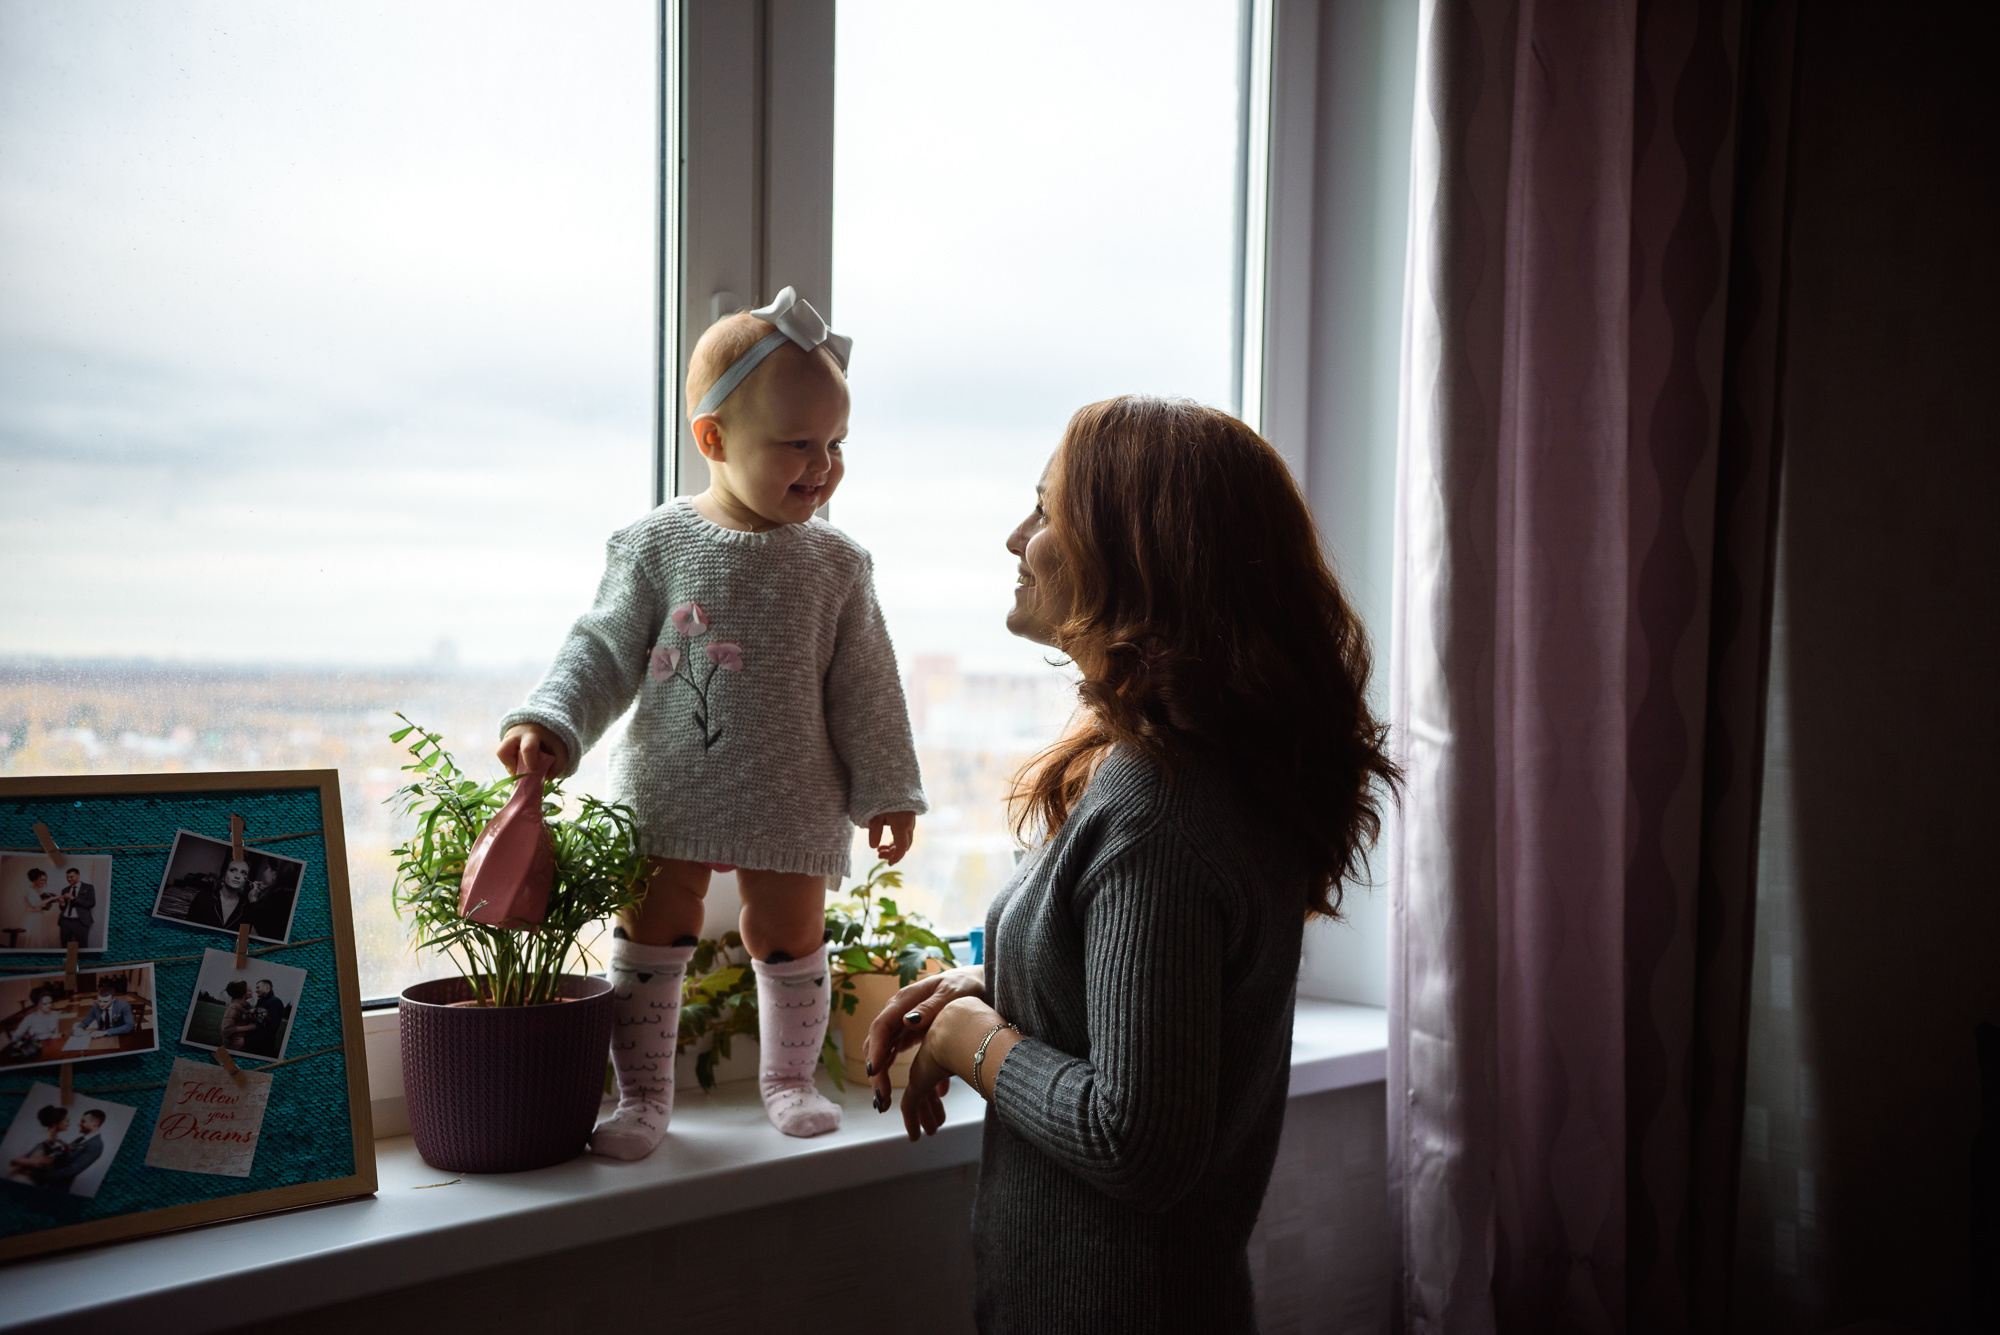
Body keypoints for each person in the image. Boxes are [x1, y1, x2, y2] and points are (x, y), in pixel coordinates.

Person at [862, 398, 1399, 1332]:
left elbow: (1138, 1141)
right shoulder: (1183, 770)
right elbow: (1169, 1014)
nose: (1015, 537)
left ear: (1132, 554)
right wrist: (998, 984)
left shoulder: (1161, 811)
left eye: (1044, 511)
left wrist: (972, 1041)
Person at [498, 288, 926, 1157]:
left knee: (788, 931)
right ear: (714, 439)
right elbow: (604, 647)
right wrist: (553, 718)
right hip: (671, 783)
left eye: (836, 443)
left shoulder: (839, 563)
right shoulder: (654, 544)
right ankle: (644, 1097)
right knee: (655, 924)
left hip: (792, 788)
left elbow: (868, 686)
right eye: (798, 443)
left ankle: (789, 1079)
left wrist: (889, 789)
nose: (824, 464)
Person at [31, 1108, 105, 1194]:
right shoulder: (80, 1139)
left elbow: (72, 1169)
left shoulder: (96, 1145)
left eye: (83, 1121)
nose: (79, 1124)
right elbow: (63, 1156)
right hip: (44, 1182)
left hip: (54, 1188)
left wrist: (40, 1175)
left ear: (95, 1122)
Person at [182, 857, 252, 931]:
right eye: (233, 870)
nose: (237, 876)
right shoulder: (202, 898)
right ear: (224, 873)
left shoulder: (247, 907)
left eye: (243, 873)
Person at [8, 1105, 71, 1185]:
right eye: (66, 1121)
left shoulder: (59, 1142)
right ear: (56, 1123)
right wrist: (38, 1161)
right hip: (22, 1179)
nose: (69, 1123)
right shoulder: (39, 1137)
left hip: (36, 1182)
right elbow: (14, 1161)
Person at [242, 862, 295, 942]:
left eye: (266, 868)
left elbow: (260, 931)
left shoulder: (279, 899)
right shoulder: (284, 895)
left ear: (275, 874)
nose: (263, 873)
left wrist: (253, 899)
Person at [6, 993, 63, 1062]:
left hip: (52, 1045)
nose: (49, 1006)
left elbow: (56, 1033)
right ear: (37, 1004)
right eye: (45, 1004)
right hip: (37, 1048)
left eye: (50, 1002)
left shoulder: (55, 1014)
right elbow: (16, 1036)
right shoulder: (30, 1018)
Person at [16, 868, 59, 950]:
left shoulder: (40, 892)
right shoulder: (29, 891)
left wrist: (52, 902)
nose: (44, 882)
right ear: (35, 880)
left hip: (39, 917)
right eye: (42, 880)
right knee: (32, 940)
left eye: (45, 880)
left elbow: (43, 907)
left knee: (40, 940)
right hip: (32, 918)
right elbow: (35, 905)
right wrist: (51, 899)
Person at [246, 978, 288, 1057]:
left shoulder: (275, 1002)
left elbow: (270, 1030)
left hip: (262, 1049)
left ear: (267, 987)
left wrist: (248, 1041)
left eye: (258, 987)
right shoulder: (262, 1001)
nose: (256, 990)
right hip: (254, 1046)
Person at [55, 867, 95, 949]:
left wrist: (74, 898)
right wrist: (62, 903)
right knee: (65, 946)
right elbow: (63, 908)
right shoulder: (65, 890)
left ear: (78, 875)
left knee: (82, 946)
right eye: (67, 877)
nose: (69, 879)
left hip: (80, 922)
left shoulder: (88, 888)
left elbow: (91, 903)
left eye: (71, 877)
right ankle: (67, 961)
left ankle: (82, 962)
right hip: (65, 922)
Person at [217, 979, 256, 1051]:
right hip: (234, 1046)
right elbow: (226, 1030)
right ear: (243, 993)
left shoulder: (245, 1007)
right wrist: (250, 1027)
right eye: (250, 990)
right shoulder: (234, 1007)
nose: (252, 992)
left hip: (242, 1045)